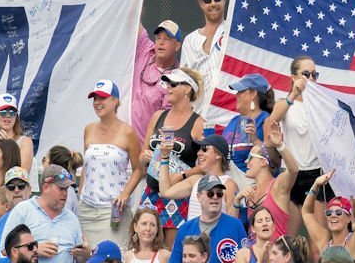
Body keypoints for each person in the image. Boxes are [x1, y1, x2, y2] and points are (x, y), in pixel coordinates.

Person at [0, 164, 90, 263]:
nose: (65, 193)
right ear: (46, 187)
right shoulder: (23, 210)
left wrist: (84, 255)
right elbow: (4, 249)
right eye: (60, 188)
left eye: (66, 189)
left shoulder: (72, 219)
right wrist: (33, 249)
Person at [140, 68, 206, 246]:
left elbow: (207, 164)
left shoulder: (198, 123)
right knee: (144, 249)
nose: (168, 87)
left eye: (174, 84)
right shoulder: (158, 116)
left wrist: (183, 175)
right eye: (167, 83)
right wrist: (145, 157)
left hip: (177, 195)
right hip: (151, 192)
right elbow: (142, 155)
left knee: (170, 253)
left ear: (187, 89)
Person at [80, 79, 144, 245]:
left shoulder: (128, 132)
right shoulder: (88, 129)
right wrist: (81, 195)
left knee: (114, 259)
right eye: (95, 98)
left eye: (102, 98)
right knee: (88, 261)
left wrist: (125, 194)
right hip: (87, 207)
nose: (97, 103)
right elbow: (86, 168)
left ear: (115, 101)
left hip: (113, 209)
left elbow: (138, 169)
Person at [267, 57, 325, 236]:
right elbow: (272, 121)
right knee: (288, 239)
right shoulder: (286, 103)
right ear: (294, 77)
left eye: (315, 75)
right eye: (306, 74)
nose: (311, 79)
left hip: (316, 173)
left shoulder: (322, 104)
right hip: (291, 174)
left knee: (318, 243)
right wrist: (293, 94)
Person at [236, 122, 298, 241]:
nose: (246, 162)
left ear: (264, 162)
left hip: (275, 256)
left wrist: (280, 146)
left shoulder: (277, 186)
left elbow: (294, 170)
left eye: (250, 158)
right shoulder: (251, 191)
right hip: (255, 256)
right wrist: (237, 200)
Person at [159, 133, 239, 221]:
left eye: (204, 149)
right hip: (192, 234)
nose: (199, 153)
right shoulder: (196, 180)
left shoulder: (229, 184)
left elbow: (233, 224)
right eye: (199, 150)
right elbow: (165, 192)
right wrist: (165, 157)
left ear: (218, 155)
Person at [181, 0, 227, 115]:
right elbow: (184, 81)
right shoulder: (190, 40)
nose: (213, 3)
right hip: (198, 117)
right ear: (201, 3)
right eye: (207, 0)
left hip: (228, 117)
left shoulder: (234, 34)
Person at [131, 20, 182, 142]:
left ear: (177, 46)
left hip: (148, 149)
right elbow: (133, 18)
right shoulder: (146, 50)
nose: (161, 43)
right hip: (125, 144)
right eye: (158, 38)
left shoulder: (177, 79)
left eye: (167, 39)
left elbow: (167, 124)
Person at [222, 74, 274, 185]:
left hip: (251, 187)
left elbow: (273, 159)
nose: (236, 95)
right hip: (227, 186)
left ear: (253, 94)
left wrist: (255, 139)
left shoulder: (266, 120)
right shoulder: (233, 121)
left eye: (241, 91)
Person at [0, 93, 35, 173]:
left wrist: (8, 147)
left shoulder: (25, 142)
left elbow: (21, 175)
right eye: (3, 112)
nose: (8, 116)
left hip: (14, 185)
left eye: (12, 113)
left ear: (16, 117)